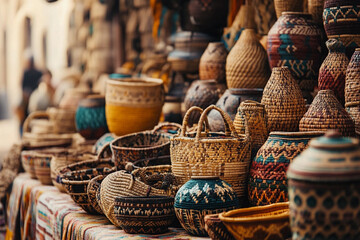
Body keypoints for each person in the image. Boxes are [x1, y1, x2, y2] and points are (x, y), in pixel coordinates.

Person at [15, 55, 42, 135]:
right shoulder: (26, 72)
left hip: (34, 98)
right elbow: (22, 86)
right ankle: (22, 134)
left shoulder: (38, 72)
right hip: (26, 98)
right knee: (22, 117)